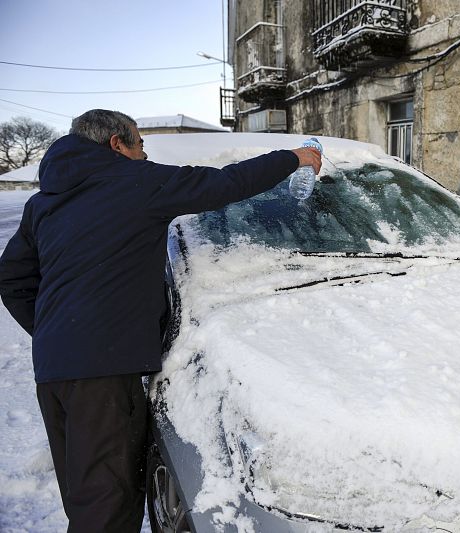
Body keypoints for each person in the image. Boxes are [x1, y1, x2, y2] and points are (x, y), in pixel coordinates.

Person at [0, 109, 321, 532]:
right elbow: (224, 184)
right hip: (103, 374)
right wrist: (293, 157)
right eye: (140, 144)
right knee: (109, 508)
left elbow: (12, 278)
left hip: (54, 374)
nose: (144, 153)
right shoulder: (136, 182)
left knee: (87, 497)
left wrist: (56, 333)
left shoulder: (45, 201)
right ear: (117, 144)